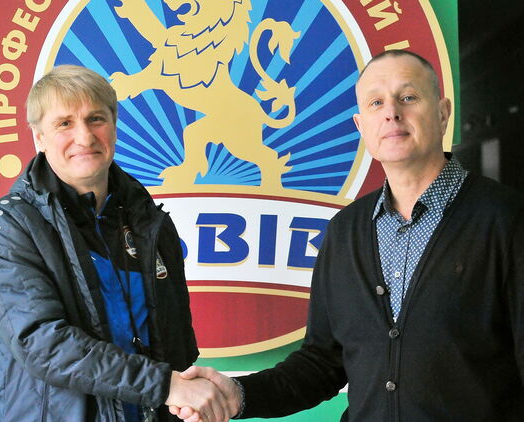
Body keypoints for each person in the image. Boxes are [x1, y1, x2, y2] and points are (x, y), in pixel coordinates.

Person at [171, 50, 524, 421]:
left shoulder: (507, 221)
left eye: (408, 97)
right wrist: (239, 396)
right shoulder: (344, 231)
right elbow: (322, 363)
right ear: (361, 125)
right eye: (376, 103)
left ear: (442, 112)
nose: (391, 113)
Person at [0, 64, 235, 422]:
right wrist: (165, 386)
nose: (84, 137)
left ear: (114, 126)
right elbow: (44, 344)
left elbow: (176, 348)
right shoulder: (12, 226)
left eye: (95, 119)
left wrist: (185, 397)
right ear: (39, 137)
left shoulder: (150, 222)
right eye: (64, 123)